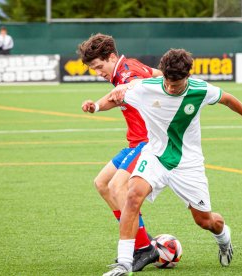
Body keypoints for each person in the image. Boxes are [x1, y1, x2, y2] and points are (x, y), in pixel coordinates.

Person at [103, 48, 242, 276]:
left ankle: (223, 237)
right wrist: (103, 101)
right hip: (155, 156)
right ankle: (124, 263)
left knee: (205, 220)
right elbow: (117, 96)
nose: (172, 87)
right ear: (163, 75)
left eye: (178, 83)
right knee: (132, 196)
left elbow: (229, 100)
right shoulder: (146, 88)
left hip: (188, 164)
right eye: (169, 82)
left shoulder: (200, 90)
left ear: (188, 77)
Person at [79, 33, 163, 271]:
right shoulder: (126, 68)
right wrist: (96, 106)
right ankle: (140, 242)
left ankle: (144, 247)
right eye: (93, 68)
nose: (98, 72)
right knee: (102, 183)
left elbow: (137, 82)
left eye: (99, 66)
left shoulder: (127, 72)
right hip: (135, 142)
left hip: (149, 143)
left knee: (118, 187)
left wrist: (128, 85)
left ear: (112, 56)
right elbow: (156, 75)